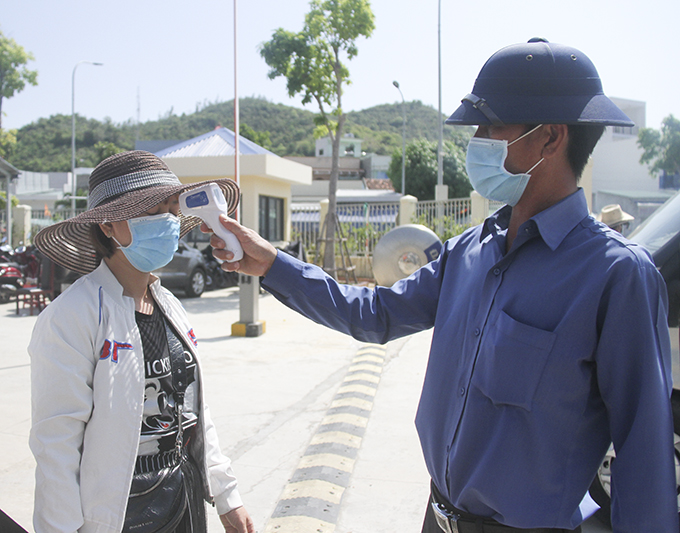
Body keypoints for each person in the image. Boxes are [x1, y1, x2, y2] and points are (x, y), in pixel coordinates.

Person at [208, 39, 678, 532]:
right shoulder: (470, 251)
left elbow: (644, 455)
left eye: (493, 125)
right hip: (437, 518)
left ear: (551, 138)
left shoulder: (616, 276)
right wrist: (272, 265)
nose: (477, 138)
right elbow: (373, 313)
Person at [29, 151, 254, 533]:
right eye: (150, 211)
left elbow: (197, 411)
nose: (166, 221)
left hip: (183, 496)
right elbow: (56, 444)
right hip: (119, 512)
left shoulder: (170, 306)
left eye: (170, 209)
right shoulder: (71, 316)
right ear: (107, 225)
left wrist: (226, 494)